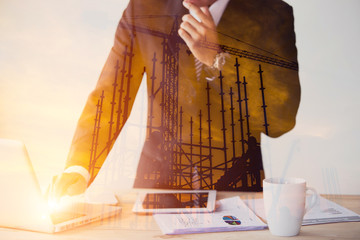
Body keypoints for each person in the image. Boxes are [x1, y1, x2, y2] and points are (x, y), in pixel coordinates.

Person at [52, 0, 301, 200]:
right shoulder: (143, 8)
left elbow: (281, 120)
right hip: (158, 185)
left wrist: (217, 61)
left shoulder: (273, 14)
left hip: (237, 190)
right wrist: (78, 168)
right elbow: (110, 96)